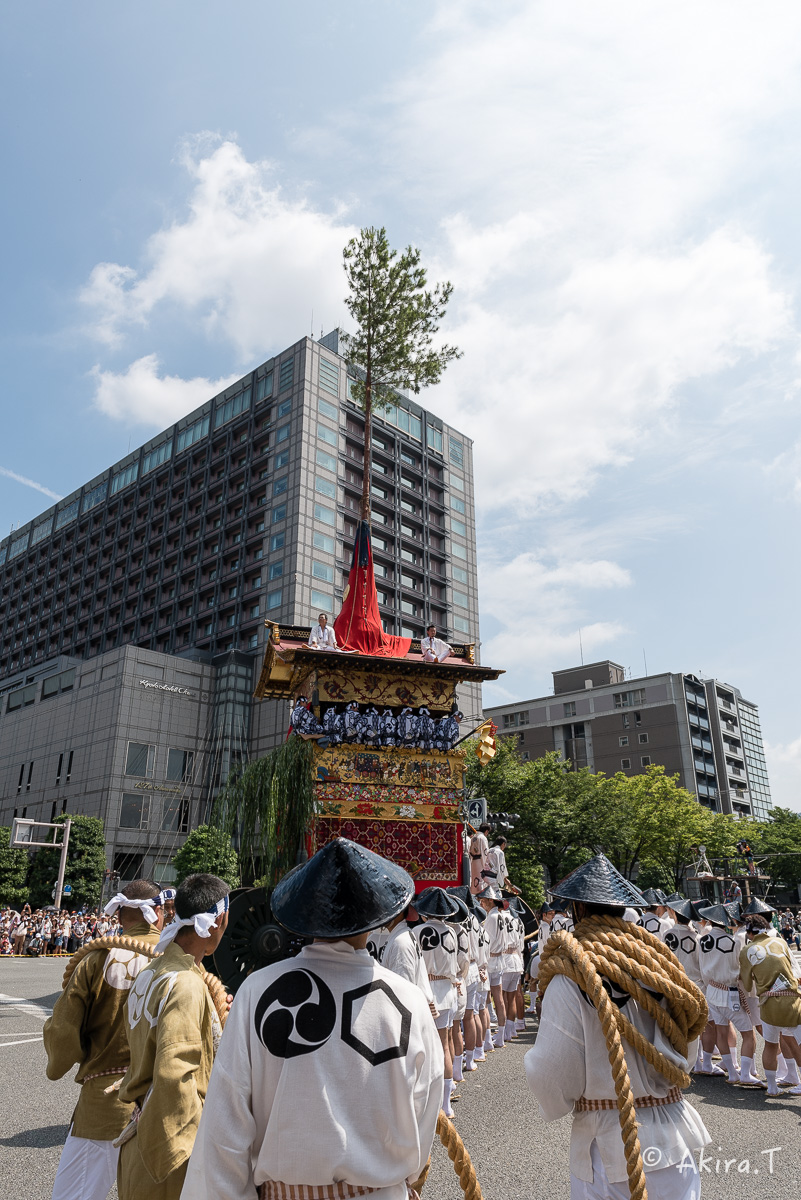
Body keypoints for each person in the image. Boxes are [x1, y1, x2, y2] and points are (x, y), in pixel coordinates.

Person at [183, 838, 443, 1200]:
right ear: (376, 915)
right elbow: (425, 1106)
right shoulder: (408, 1000)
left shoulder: (256, 992)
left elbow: (224, 1128)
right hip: (381, 1190)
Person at [525, 853, 710, 1200]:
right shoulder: (660, 967)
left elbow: (552, 1069)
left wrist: (557, 1101)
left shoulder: (571, 975)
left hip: (608, 1145)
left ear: (577, 910)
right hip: (673, 1138)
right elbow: (689, 1038)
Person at [43, 880, 164, 1200]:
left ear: (121, 916)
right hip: (164, 1104)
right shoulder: (177, 961)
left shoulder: (98, 957)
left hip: (105, 1104)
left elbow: (62, 1033)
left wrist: (57, 1061)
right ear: (159, 914)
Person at [117, 873, 230, 1200]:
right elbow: (174, 1075)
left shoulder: (153, 971)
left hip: (140, 1142)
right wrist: (193, 1155)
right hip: (170, 1153)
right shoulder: (186, 984)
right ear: (220, 919)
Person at [696, 902, 761, 1086]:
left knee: (721, 1032)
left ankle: (732, 1072)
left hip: (711, 991)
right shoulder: (732, 942)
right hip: (729, 991)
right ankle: (747, 1073)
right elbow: (737, 968)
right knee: (748, 1034)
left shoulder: (702, 941)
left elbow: (702, 968)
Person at [740, 912, 801, 1097]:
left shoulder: (747, 950)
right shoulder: (781, 942)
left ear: (750, 933)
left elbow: (748, 984)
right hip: (792, 1000)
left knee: (771, 1045)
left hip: (768, 1003)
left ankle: (773, 1087)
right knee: (799, 1043)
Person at [413, 886, 462, 1117]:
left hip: (428, 990)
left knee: (424, 1046)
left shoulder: (418, 931)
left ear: (425, 912)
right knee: (445, 1043)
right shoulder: (453, 932)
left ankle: (428, 1101)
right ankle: (446, 1104)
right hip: (448, 990)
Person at [468, 823, 491, 895]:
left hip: (473, 861)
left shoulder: (474, 837)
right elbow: (485, 852)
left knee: (475, 879)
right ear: (486, 831)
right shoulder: (483, 838)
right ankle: (480, 897)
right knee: (480, 880)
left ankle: (474, 895)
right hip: (480, 861)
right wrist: (486, 865)